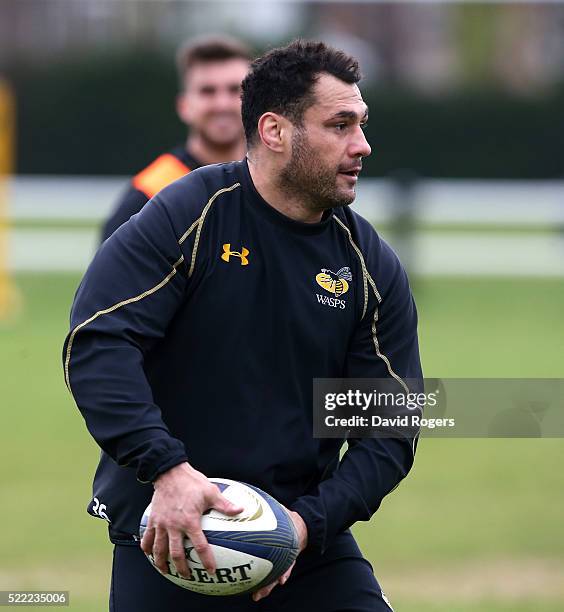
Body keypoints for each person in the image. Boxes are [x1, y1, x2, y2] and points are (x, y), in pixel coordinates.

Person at [63, 40, 422, 611]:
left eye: (362, 123)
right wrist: (167, 469)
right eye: (341, 125)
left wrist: (305, 525)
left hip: (303, 545)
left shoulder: (369, 266)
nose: (363, 144)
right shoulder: (187, 215)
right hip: (166, 533)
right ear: (276, 131)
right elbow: (98, 340)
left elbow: (391, 428)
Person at [100, 35, 251, 242]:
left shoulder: (275, 185)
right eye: (207, 91)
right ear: (184, 106)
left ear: (255, 101)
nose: (222, 104)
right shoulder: (150, 194)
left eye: (235, 90)